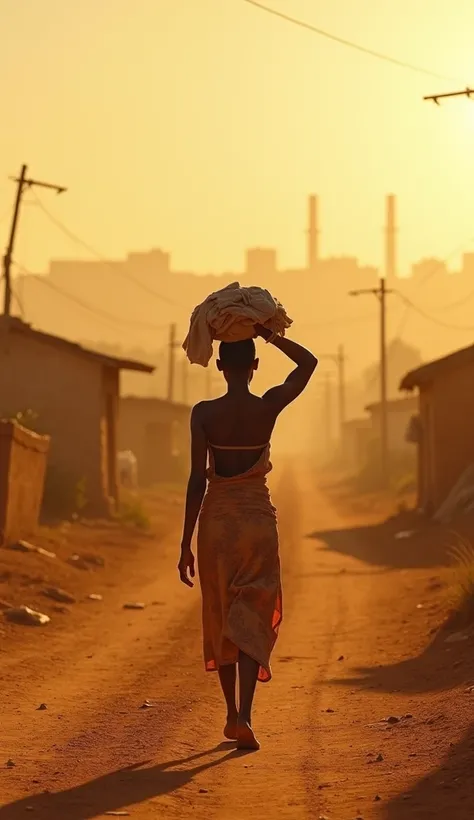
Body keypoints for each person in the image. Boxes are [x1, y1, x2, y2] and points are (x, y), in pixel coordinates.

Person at [178, 323, 318, 750]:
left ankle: (228, 714)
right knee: (251, 614)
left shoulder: (203, 413)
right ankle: (245, 715)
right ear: (255, 367)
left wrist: (185, 542)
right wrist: (271, 334)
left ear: (219, 366)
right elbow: (307, 364)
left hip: (217, 523)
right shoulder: (267, 407)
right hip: (257, 521)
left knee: (221, 615)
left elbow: (196, 480)